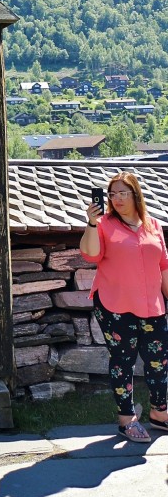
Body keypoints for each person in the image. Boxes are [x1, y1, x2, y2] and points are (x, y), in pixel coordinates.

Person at [81, 170, 168, 443]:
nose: (116, 198)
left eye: (122, 193)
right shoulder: (104, 223)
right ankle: (126, 420)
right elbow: (91, 254)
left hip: (152, 305)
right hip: (114, 304)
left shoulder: (153, 224)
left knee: (159, 363)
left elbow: (163, 265)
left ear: (135, 195)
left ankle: (159, 414)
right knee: (123, 362)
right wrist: (91, 224)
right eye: (112, 194)